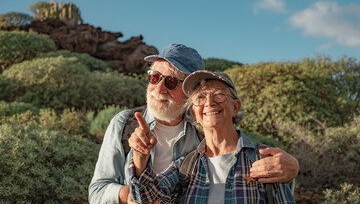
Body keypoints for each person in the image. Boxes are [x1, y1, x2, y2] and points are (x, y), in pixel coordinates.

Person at [89, 44, 299, 204]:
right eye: (154, 78)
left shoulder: (205, 137)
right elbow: (108, 191)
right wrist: (131, 186)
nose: (159, 89)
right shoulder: (126, 124)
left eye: (171, 82)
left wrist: (293, 168)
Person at [128, 70, 296, 203]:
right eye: (200, 97)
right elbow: (147, 197)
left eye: (219, 95)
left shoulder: (264, 160)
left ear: (235, 107)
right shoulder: (186, 166)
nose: (209, 102)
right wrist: (140, 156)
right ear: (194, 113)